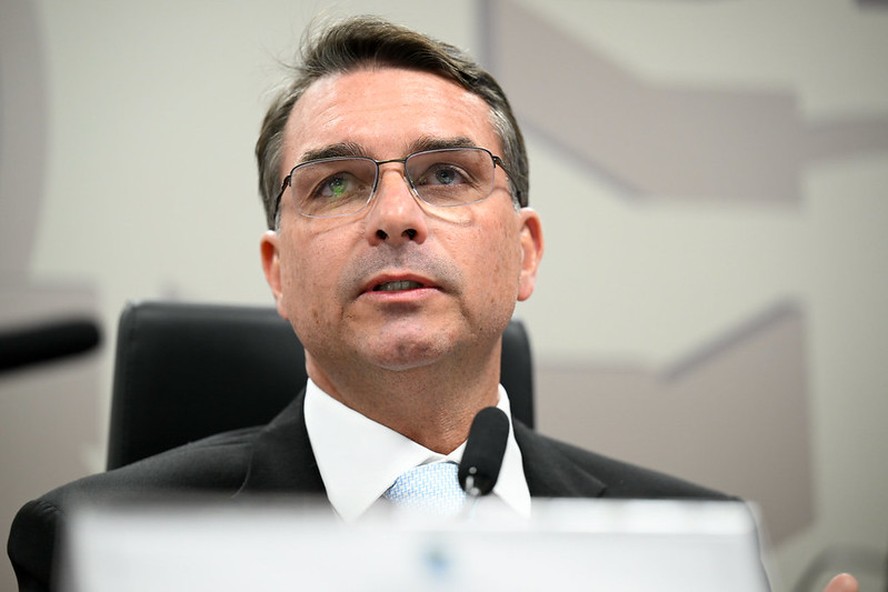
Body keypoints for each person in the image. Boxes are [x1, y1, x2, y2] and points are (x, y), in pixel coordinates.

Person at [6, 16, 858, 592]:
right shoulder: (90, 544)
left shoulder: (692, 555)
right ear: (277, 273)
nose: (394, 217)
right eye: (336, 183)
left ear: (524, 253)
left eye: (446, 174)